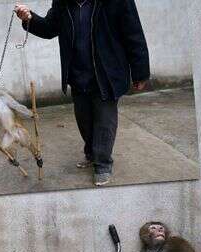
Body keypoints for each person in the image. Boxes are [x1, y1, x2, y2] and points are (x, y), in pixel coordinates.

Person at [14, 1, 150, 186]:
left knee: (104, 121)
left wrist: (140, 72)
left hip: (107, 73)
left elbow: (133, 33)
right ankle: (92, 153)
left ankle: (103, 164)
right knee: (83, 119)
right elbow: (50, 28)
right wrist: (29, 18)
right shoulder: (63, 3)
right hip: (78, 74)